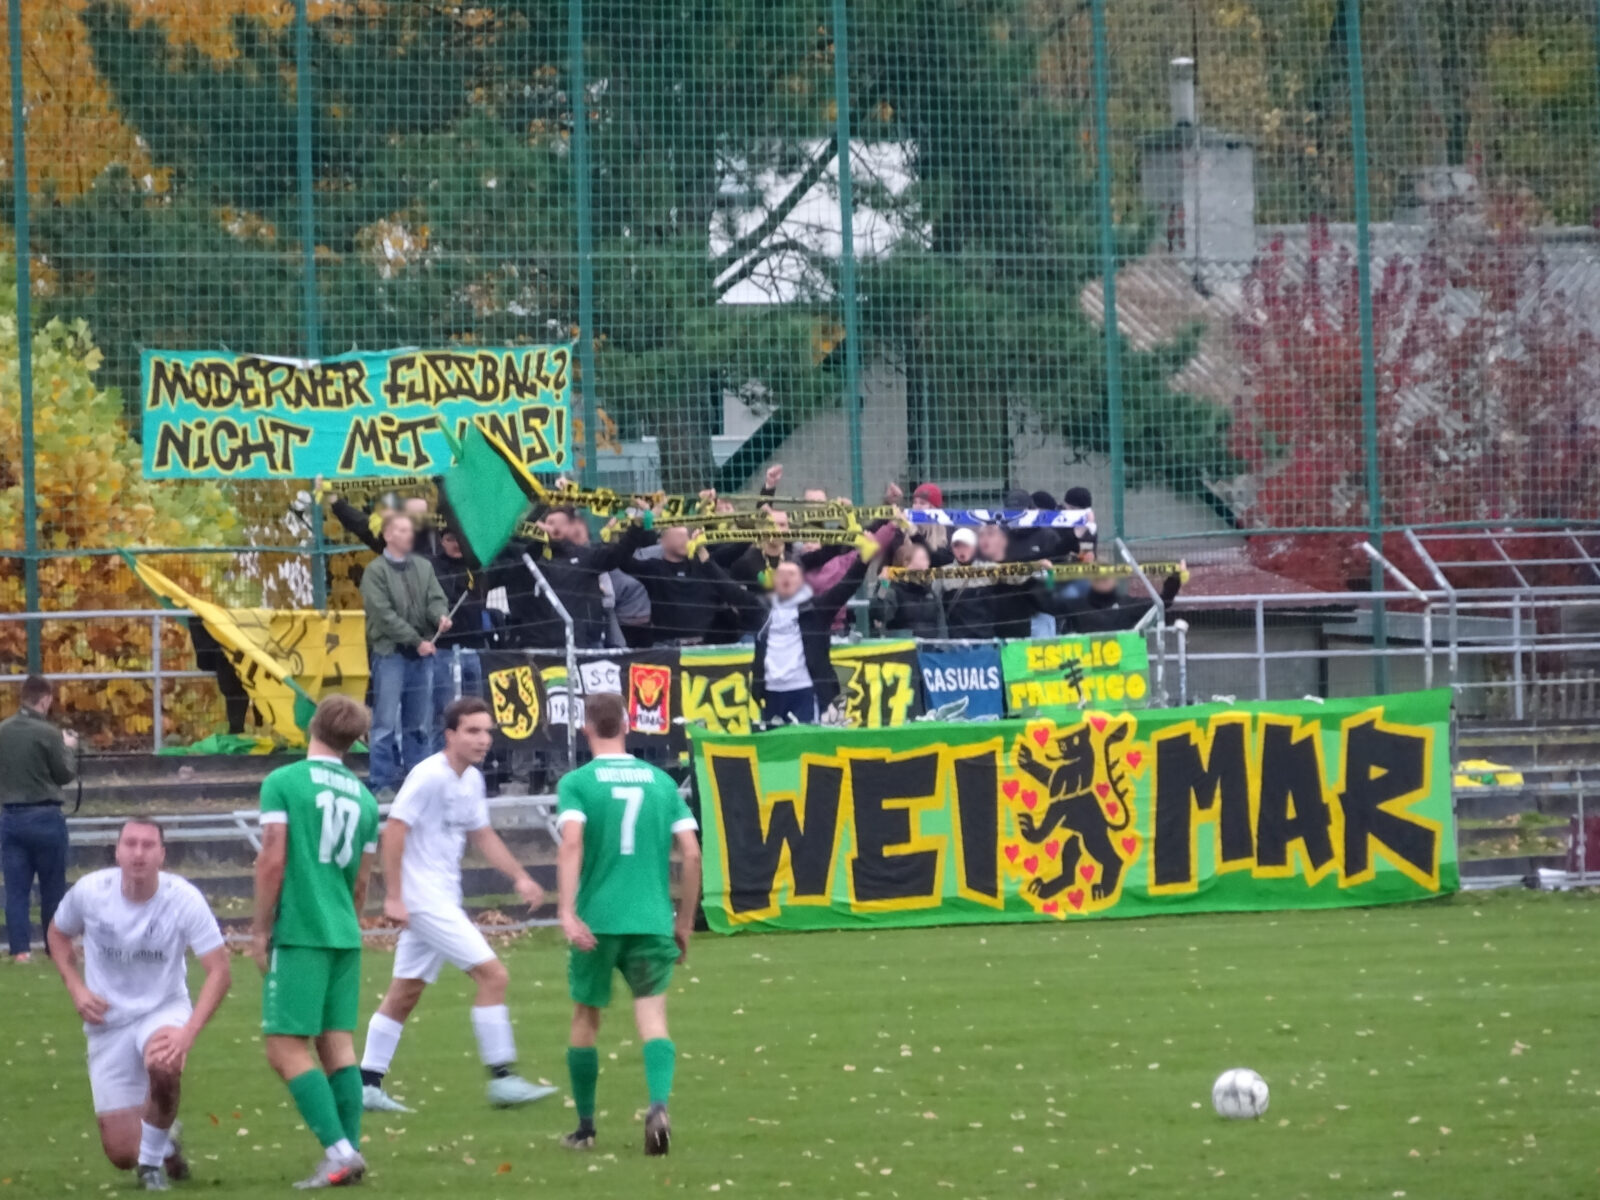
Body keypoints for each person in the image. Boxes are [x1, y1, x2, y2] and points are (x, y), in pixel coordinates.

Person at [358, 697, 556, 1113]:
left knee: (405, 992)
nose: (483, 740)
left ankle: (366, 1086)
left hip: (442, 897)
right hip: (424, 900)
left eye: (487, 732)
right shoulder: (428, 775)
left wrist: (519, 876)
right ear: (450, 735)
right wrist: (393, 896)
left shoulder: (472, 780)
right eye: (473, 731)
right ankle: (503, 1078)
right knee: (493, 976)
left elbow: (482, 834)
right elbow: (394, 830)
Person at [46, 820, 231, 1191]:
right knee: (121, 1153)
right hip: (108, 1021)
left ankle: (150, 1168)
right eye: (130, 844)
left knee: (164, 1064)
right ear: (117, 852)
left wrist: (188, 1032)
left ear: (162, 854)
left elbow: (220, 971)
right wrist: (76, 988)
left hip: (162, 1008)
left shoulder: (183, 898)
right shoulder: (91, 892)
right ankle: (164, 1142)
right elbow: (57, 933)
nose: (139, 853)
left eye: (148, 845)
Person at [555, 692, 701, 1156]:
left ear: (586, 729)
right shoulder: (661, 782)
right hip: (652, 919)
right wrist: (684, 921)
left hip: (596, 922)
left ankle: (585, 1128)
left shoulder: (578, 782)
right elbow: (692, 854)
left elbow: (572, 843)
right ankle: (658, 1105)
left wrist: (566, 910)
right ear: (626, 726)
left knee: (586, 1017)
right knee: (652, 1017)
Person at [252, 695, 382, 1190]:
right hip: (343, 931)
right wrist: (347, 923)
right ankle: (348, 1153)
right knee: (336, 1044)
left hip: (301, 930)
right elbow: (362, 883)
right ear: (355, 739)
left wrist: (260, 929)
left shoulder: (284, 782)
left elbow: (272, 858)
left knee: (284, 1046)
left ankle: (340, 1152)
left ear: (312, 725)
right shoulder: (365, 799)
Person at [360, 512, 451, 799]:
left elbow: (435, 598)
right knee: (385, 723)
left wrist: (440, 616)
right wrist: (415, 641)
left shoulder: (424, 567)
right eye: (401, 530)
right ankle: (381, 783)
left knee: (419, 725)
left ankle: (418, 782)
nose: (408, 535)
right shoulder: (374, 571)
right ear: (387, 535)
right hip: (390, 654)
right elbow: (383, 615)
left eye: (409, 530)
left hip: (421, 655)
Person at [749, 536, 881, 725]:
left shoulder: (816, 610)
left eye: (792, 575)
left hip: (805, 691)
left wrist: (863, 561)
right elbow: (728, 590)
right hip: (771, 693)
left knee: (806, 741)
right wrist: (706, 560)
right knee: (775, 742)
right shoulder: (761, 611)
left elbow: (846, 587)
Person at [1, 674, 79, 962]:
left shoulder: (3, 731)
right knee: (52, 887)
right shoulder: (49, 733)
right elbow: (64, 774)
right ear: (45, 699)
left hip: (11, 817)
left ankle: (20, 951)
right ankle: (53, 947)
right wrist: (68, 748)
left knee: (16, 889)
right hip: (45, 817)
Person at [429, 529, 490, 748]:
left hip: (472, 647)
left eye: (460, 539)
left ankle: (472, 757)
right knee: (444, 711)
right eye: (450, 539)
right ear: (441, 542)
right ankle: (442, 756)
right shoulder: (433, 567)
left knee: (475, 708)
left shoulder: (476, 566)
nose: (455, 544)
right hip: (444, 648)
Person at [870, 543, 946, 639]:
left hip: (931, 647)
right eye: (922, 558)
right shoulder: (894, 590)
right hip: (902, 646)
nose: (927, 563)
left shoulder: (930, 593)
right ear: (906, 563)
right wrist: (883, 584)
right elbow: (880, 613)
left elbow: (942, 627)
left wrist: (943, 646)